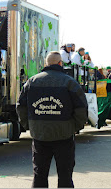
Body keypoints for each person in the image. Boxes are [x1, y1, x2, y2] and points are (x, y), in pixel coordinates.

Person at [16, 51, 88, 188]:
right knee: (65, 176)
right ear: (60, 63)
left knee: (39, 176)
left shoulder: (31, 82)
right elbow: (81, 108)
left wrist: (29, 126)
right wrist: (74, 128)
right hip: (64, 137)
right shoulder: (70, 83)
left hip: (40, 137)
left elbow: (21, 106)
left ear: (46, 64)